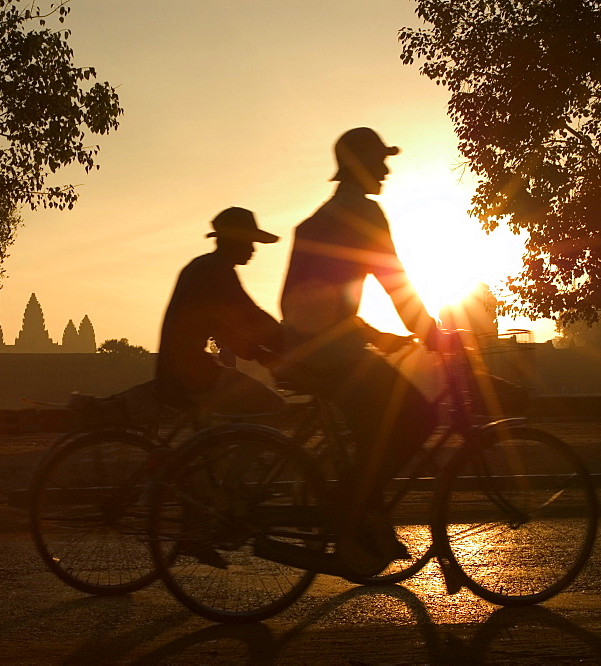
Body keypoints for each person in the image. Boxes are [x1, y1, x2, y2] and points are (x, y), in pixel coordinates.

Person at [279, 127, 439, 574]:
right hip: (334, 355)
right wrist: (434, 334)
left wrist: (370, 334)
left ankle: (361, 516)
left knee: (377, 425)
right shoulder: (364, 214)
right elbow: (395, 284)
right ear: (359, 167)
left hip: (311, 347)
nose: (386, 170)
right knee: (418, 417)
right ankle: (356, 513)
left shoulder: (319, 218)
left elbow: (312, 299)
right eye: (379, 162)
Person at [156, 207, 285, 417]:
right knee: (272, 408)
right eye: (249, 241)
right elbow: (251, 315)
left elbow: (224, 328)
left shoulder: (204, 267)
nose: (254, 250)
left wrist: (259, 353)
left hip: (179, 370)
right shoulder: (217, 271)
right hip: (192, 372)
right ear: (234, 241)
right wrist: (288, 342)